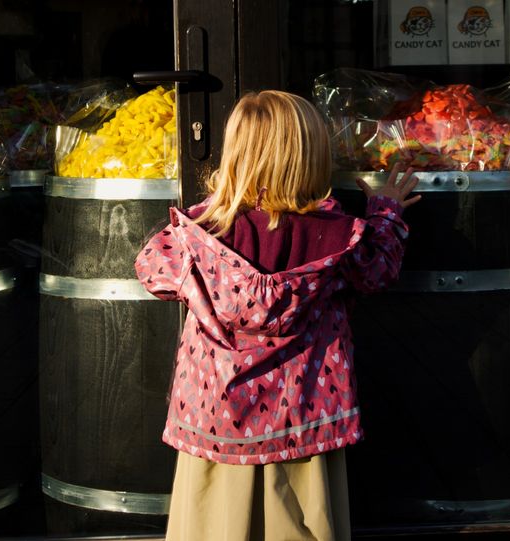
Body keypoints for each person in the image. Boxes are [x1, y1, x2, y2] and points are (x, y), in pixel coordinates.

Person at [134, 90, 420, 541]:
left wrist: (212, 209)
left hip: (217, 423)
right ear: (310, 157)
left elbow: (152, 272)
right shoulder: (342, 238)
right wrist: (386, 210)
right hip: (303, 421)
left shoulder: (197, 236)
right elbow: (379, 269)